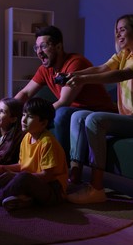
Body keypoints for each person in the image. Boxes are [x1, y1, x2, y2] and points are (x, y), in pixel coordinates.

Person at [65, 14, 133, 204]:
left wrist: (82, 80)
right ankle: (74, 178)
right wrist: (72, 74)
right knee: (78, 115)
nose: (118, 34)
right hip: (128, 119)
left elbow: (122, 74)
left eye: (122, 29)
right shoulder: (124, 55)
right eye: (116, 30)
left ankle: (96, 188)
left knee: (94, 120)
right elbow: (102, 68)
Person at [14, 26, 116, 164]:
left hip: (96, 112)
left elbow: (64, 102)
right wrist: (9, 110)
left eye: (43, 46)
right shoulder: (45, 69)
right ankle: (25, 160)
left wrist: (34, 116)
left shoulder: (75, 63)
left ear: (58, 47)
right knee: (21, 116)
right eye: (36, 48)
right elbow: (25, 93)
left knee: (61, 114)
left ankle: (62, 166)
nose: (39, 52)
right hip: (74, 111)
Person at [0, 97, 69, 212]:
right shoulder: (27, 137)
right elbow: (22, 165)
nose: (24, 120)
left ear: (43, 123)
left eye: (30, 117)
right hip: (30, 182)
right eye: (23, 115)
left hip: (53, 191)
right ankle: (22, 198)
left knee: (23, 177)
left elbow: (47, 176)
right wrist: (4, 168)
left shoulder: (47, 142)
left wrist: (14, 175)